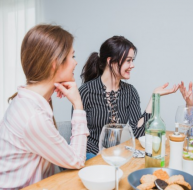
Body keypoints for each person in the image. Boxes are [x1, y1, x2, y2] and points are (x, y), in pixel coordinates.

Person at [0, 24, 89, 189]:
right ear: (55, 63)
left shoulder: (29, 100)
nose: (76, 62)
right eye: (72, 56)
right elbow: (77, 160)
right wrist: (78, 105)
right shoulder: (32, 116)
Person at [79, 36, 179, 155]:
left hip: (116, 154)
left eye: (132, 60)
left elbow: (137, 133)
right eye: (128, 60)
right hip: (90, 154)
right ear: (110, 61)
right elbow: (79, 135)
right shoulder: (86, 91)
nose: (132, 65)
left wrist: (154, 98)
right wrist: (101, 154)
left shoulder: (130, 92)